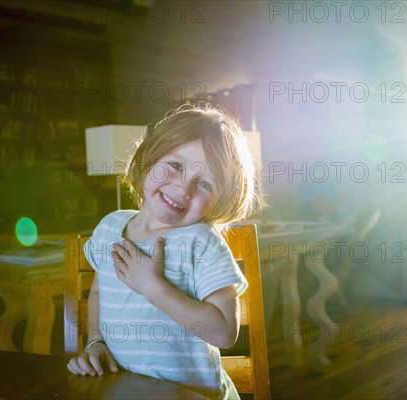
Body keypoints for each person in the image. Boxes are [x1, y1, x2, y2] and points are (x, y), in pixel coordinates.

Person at [67, 103, 262, 399]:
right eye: (175, 165)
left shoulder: (201, 242)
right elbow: (97, 293)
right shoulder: (109, 228)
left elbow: (223, 333)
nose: (184, 190)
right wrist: (96, 343)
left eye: (205, 183)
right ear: (148, 157)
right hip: (124, 389)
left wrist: (152, 287)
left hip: (191, 393)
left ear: (220, 200)